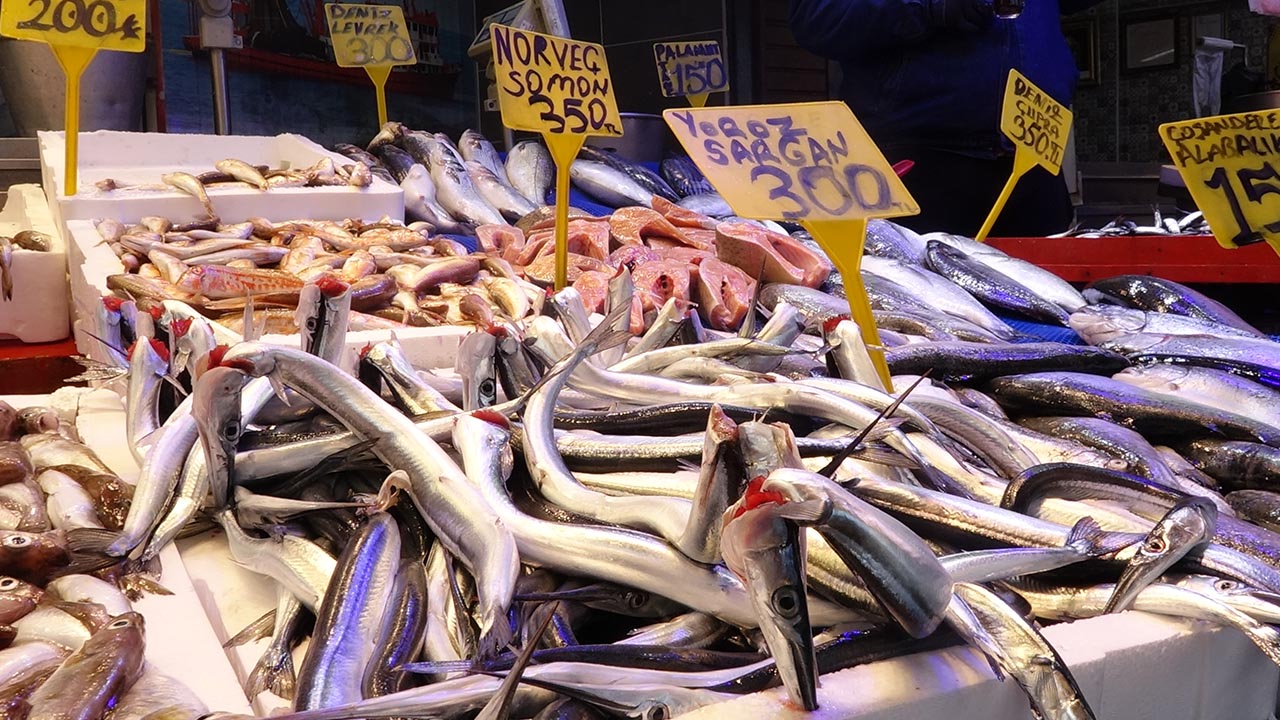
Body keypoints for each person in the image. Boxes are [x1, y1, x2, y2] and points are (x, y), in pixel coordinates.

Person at [789, 0, 1104, 236]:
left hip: (1035, 156)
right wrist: (929, 4)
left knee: (1057, 316)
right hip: (918, 162)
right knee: (912, 319)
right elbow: (817, 16)